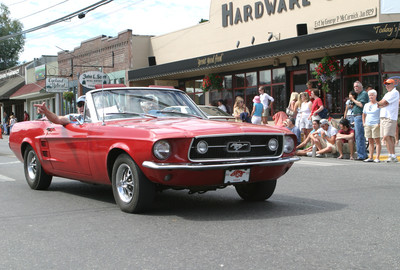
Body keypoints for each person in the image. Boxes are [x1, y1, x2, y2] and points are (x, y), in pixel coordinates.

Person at [377, 78, 400, 162]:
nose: (387, 85)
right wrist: (381, 103)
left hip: (390, 117)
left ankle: (392, 155)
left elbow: (383, 102)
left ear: (393, 84)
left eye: (389, 84)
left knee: (387, 135)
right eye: (386, 84)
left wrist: (381, 103)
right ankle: (391, 155)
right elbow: (381, 104)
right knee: (387, 137)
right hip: (383, 116)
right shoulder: (387, 94)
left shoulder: (395, 92)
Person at [349, 80, 368, 160]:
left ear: (361, 87)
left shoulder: (363, 94)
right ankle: (362, 154)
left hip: (360, 116)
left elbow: (361, 105)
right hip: (356, 116)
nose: (355, 88)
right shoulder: (359, 95)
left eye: (357, 86)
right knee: (358, 136)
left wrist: (353, 99)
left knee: (359, 136)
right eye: (354, 87)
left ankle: (362, 155)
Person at [363, 89, 381, 163]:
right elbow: (363, 114)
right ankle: (370, 157)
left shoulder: (378, 104)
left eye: (372, 95)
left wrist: (379, 123)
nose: (371, 96)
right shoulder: (366, 105)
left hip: (375, 124)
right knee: (370, 141)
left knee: (377, 141)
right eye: (369, 95)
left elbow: (381, 114)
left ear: (375, 96)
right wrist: (364, 123)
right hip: (368, 124)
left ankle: (377, 157)